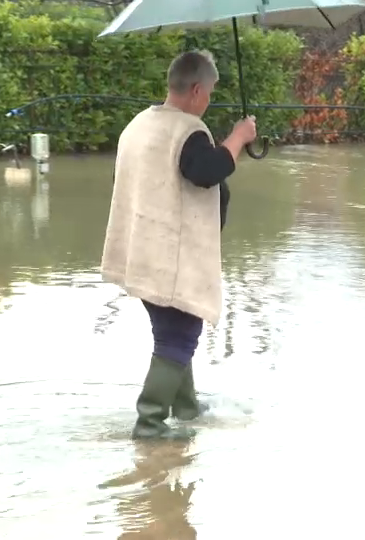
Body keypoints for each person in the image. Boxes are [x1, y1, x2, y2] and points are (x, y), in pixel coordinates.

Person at [101, 50, 259, 440]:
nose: (208, 101)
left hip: (143, 253)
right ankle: (150, 423)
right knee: (179, 336)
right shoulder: (187, 130)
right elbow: (206, 171)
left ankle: (185, 407)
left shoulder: (140, 124)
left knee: (172, 334)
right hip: (173, 259)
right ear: (196, 89)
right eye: (209, 94)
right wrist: (239, 138)